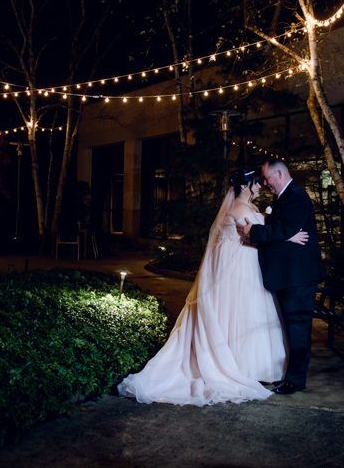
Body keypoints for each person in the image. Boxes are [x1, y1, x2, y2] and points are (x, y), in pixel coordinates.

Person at [118, 169, 308, 406]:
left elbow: (261, 232)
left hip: (248, 265)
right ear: (246, 185)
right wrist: (287, 238)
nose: (261, 187)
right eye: (257, 183)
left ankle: (254, 366)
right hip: (240, 267)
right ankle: (240, 366)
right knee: (241, 313)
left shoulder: (246, 207)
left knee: (249, 313)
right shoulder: (239, 208)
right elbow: (252, 238)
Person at [238, 158, 323, 395]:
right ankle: (293, 376)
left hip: (298, 276)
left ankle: (295, 381)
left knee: (298, 327)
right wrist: (285, 235)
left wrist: (253, 230)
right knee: (293, 327)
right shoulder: (285, 196)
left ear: (279, 174)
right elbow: (286, 230)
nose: (266, 183)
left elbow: (284, 228)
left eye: (267, 178)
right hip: (291, 275)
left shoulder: (296, 195)